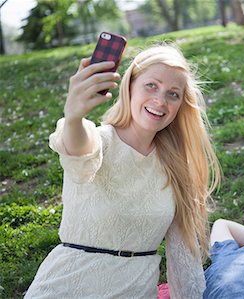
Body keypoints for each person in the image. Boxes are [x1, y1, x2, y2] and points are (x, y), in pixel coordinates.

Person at [25, 43, 221, 298]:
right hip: (67, 286)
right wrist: (73, 117)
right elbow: (79, 150)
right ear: (129, 86)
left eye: (173, 94)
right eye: (151, 85)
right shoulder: (98, 140)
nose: (160, 100)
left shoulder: (175, 167)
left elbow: (185, 258)